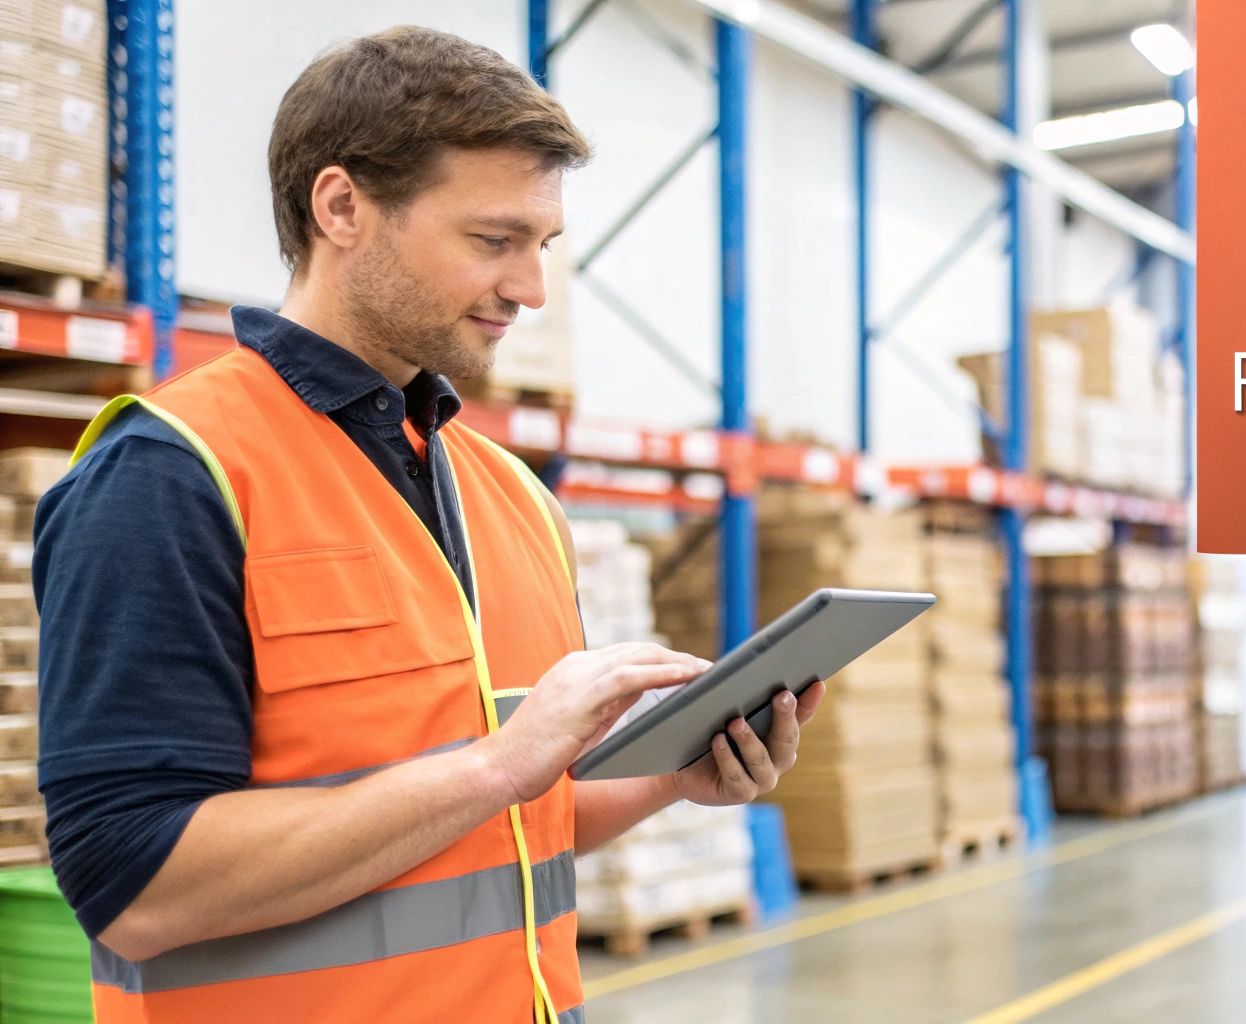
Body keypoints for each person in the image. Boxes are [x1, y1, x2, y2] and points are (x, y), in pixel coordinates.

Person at [31, 26, 822, 1023]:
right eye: (493, 241)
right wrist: (497, 762)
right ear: (341, 207)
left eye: (541, 247)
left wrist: (679, 778)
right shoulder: (169, 475)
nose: (529, 290)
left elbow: (510, 824)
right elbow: (133, 885)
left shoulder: (512, 497)